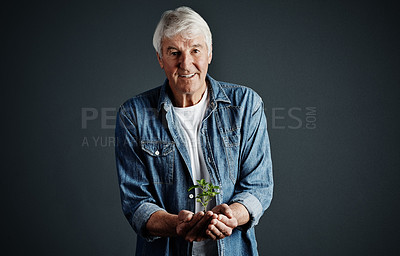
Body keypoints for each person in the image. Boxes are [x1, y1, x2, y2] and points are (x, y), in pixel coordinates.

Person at [115, 6, 273, 256]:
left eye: (195, 50)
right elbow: (136, 203)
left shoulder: (246, 105)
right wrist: (176, 224)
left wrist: (232, 216)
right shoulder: (133, 115)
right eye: (174, 52)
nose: (186, 63)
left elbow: (258, 187)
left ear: (209, 53)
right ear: (160, 58)